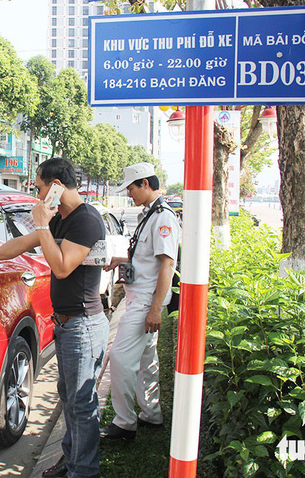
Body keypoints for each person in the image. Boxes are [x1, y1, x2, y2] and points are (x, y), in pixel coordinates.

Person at [0, 158, 109, 478]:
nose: (37, 193)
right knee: (71, 400)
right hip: (68, 325)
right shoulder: (60, 218)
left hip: (84, 325)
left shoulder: (86, 220)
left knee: (81, 405)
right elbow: (21, 244)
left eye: (39, 186)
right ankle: (71, 461)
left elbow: (62, 266)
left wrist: (42, 223)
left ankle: (84, 472)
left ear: (56, 186)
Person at [100, 163, 180, 441]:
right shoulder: (150, 215)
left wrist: (156, 309)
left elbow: (167, 265)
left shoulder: (163, 218)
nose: (129, 194)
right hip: (140, 297)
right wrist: (122, 261)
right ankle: (151, 414)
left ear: (145, 184)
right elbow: (146, 257)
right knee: (147, 360)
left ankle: (124, 423)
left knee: (120, 359)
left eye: (131, 188)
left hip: (146, 301)